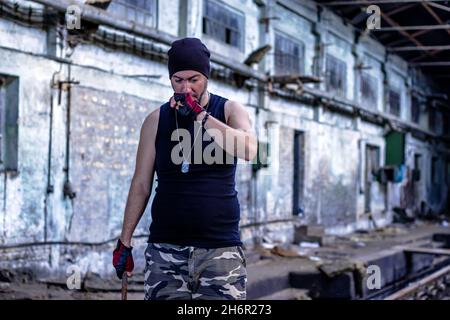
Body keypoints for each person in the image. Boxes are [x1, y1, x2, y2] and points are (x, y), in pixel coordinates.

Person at [112, 37, 257, 300]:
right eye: (178, 79)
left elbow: (250, 150)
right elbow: (141, 184)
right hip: (166, 250)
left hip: (219, 250)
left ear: (206, 77)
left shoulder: (228, 110)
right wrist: (125, 240)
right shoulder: (156, 120)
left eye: (194, 79)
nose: (186, 87)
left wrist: (201, 116)